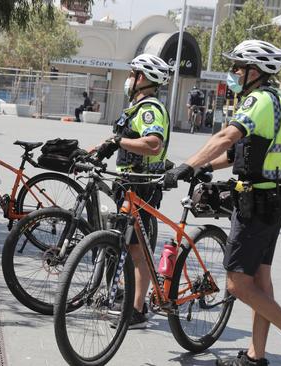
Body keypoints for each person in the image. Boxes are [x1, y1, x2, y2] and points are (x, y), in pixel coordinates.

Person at [164, 40, 281, 366]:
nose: (233, 73)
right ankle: (255, 356)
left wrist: (187, 165)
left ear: (254, 71)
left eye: (238, 67)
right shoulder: (279, 101)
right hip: (274, 199)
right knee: (261, 282)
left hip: (256, 205)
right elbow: (240, 154)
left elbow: (225, 138)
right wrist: (206, 166)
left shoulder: (258, 101)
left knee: (237, 285)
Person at [93, 53, 172, 330]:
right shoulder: (136, 108)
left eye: (132, 73)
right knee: (132, 247)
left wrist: (119, 141)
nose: (128, 79)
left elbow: (153, 144)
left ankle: (138, 310)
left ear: (143, 78)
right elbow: (122, 140)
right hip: (128, 184)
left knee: (139, 252)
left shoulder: (150, 109)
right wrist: (96, 150)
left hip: (142, 186)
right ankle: (130, 300)